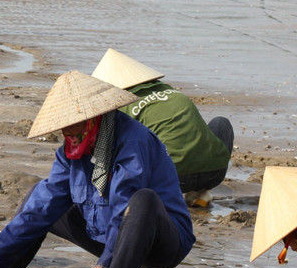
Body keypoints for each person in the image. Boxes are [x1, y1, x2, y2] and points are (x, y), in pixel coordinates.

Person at [0, 71, 193, 268]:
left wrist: (105, 264)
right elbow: (44, 204)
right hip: (107, 237)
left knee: (142, 200)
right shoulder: (70, 151)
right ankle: (1, 267)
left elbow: (122, 205)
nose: (67, 135)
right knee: (39, 194)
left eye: (73, 127)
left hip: (159, 244)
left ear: (94, 118)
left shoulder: (133, 141)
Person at [91, 49, 234, 201]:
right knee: (220, 122)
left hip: (171, 178)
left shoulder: (121, 105)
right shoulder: (172, 91)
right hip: (215, 173)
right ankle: (201, 191)